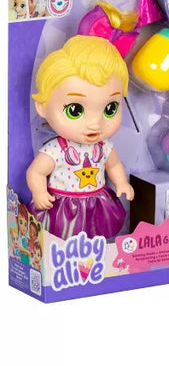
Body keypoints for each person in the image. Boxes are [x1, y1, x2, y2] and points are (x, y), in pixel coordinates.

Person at [27, 35, 134, 240]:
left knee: (96, 234)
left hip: (97, 203)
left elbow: (113, 165)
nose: (95, 123)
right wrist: (39, 192)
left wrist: (121, 183)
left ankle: (93, 254)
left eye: (110, 109)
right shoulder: (56, 150)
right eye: (75, 110)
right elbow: (36, 172)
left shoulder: (104, 146)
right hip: (63, 207)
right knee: (64, 236)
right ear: (42, 107)